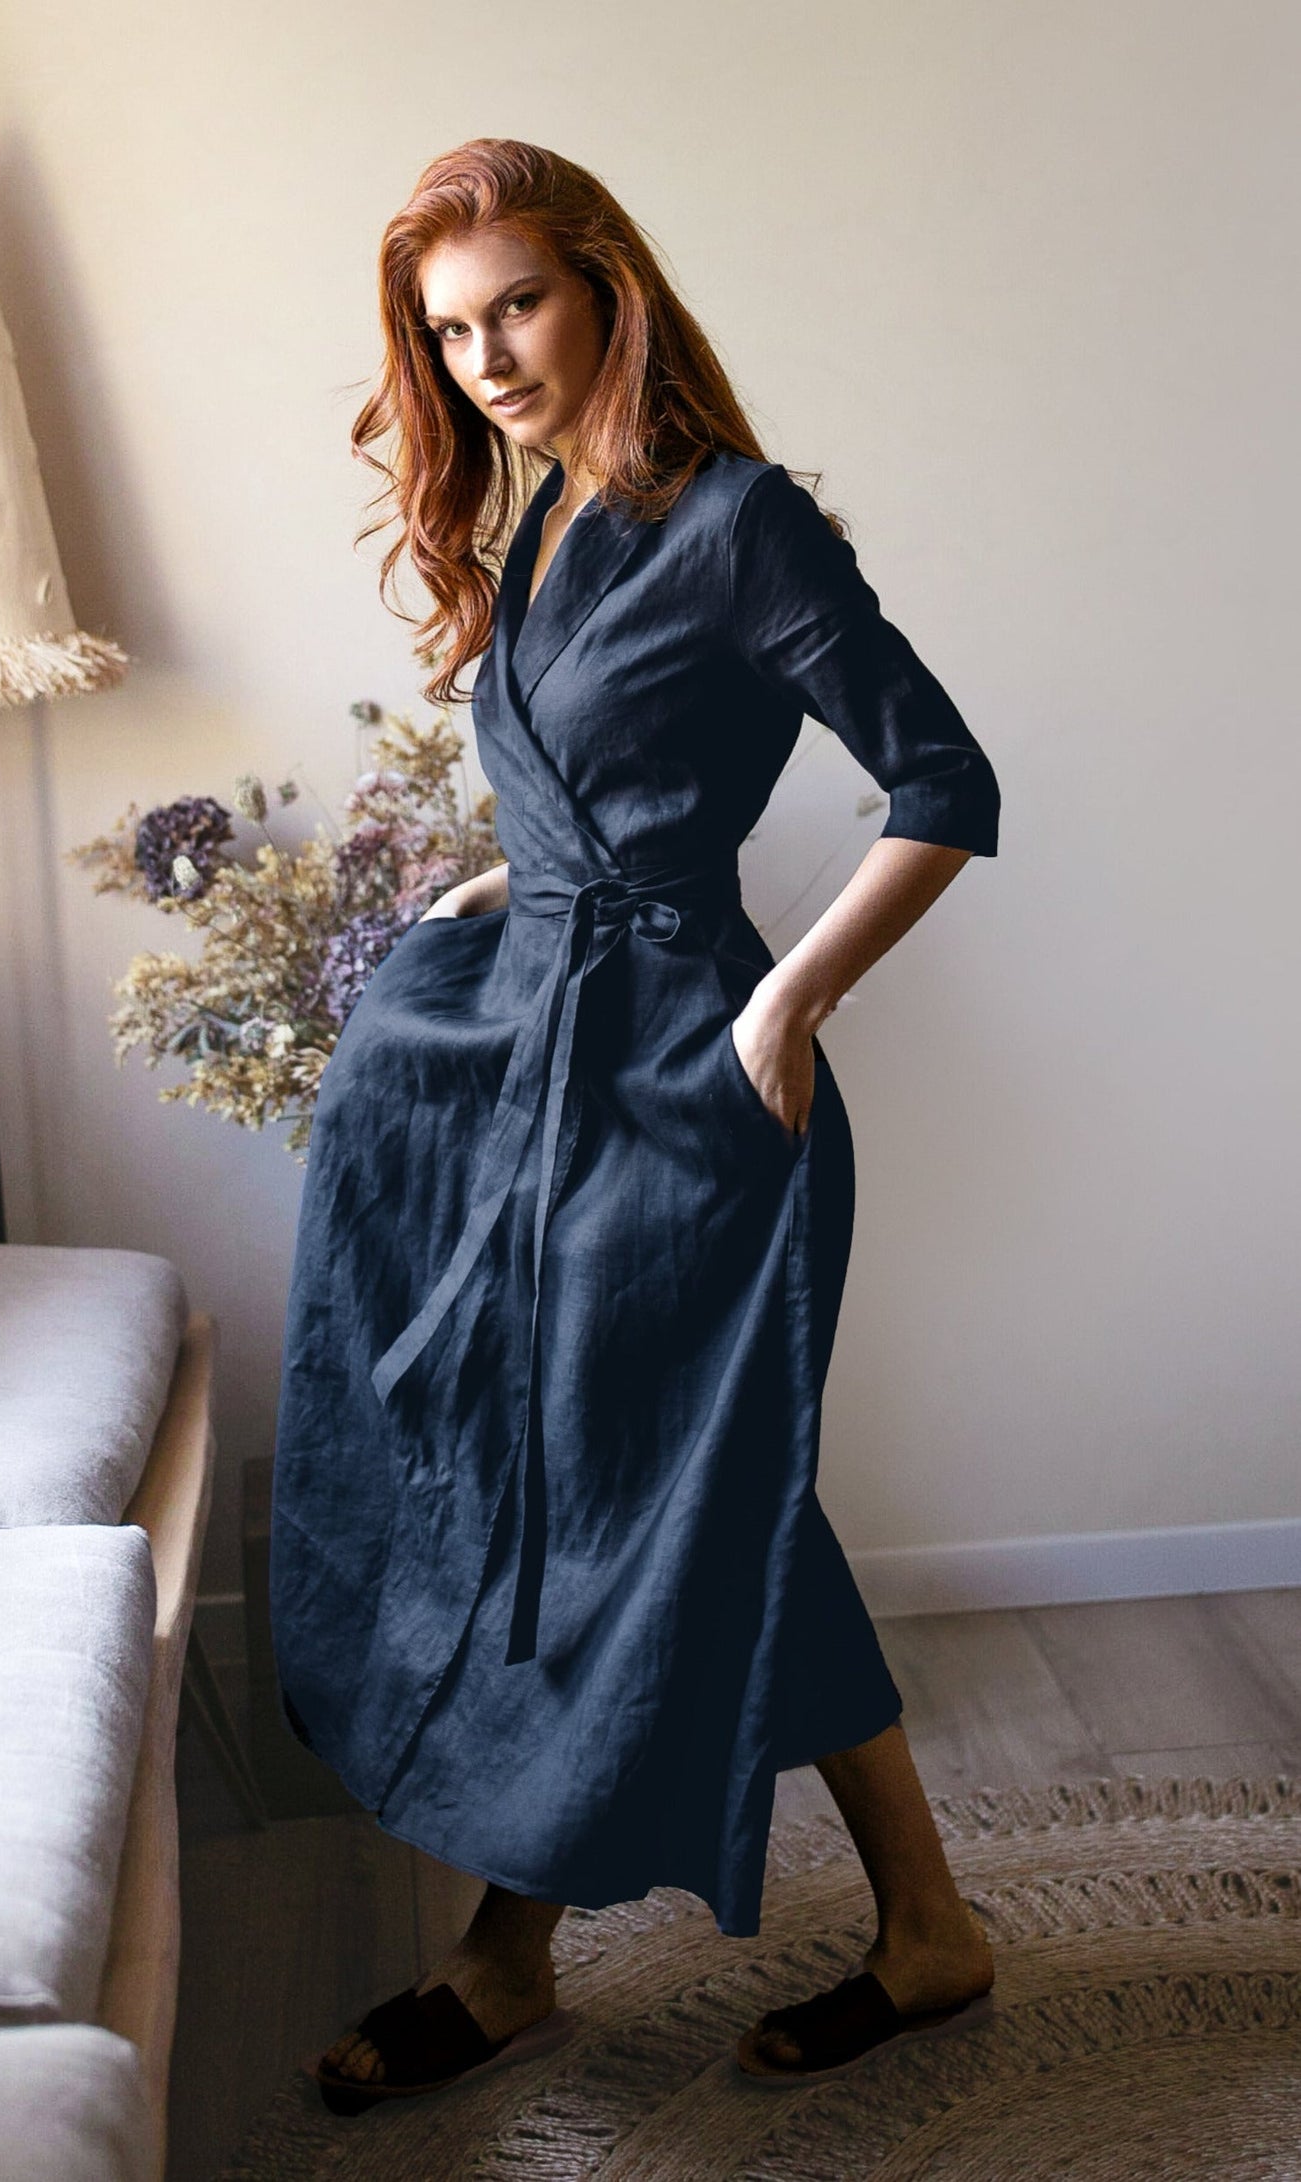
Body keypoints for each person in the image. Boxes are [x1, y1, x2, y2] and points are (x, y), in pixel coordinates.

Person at [269, 137, 1001, 2115]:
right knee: (648, 1486)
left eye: (514, 301)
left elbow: (944, 783)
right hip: (537, 1049)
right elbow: (616, 796)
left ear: (606, 284)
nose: (485, 352)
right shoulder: (542, 513)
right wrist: (506, 884)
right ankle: (913, 1926)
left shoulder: (744, 521)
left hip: (688, 1083)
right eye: (448, 325)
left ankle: (511, 1958)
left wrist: (792, 993)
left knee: (637, 1496)